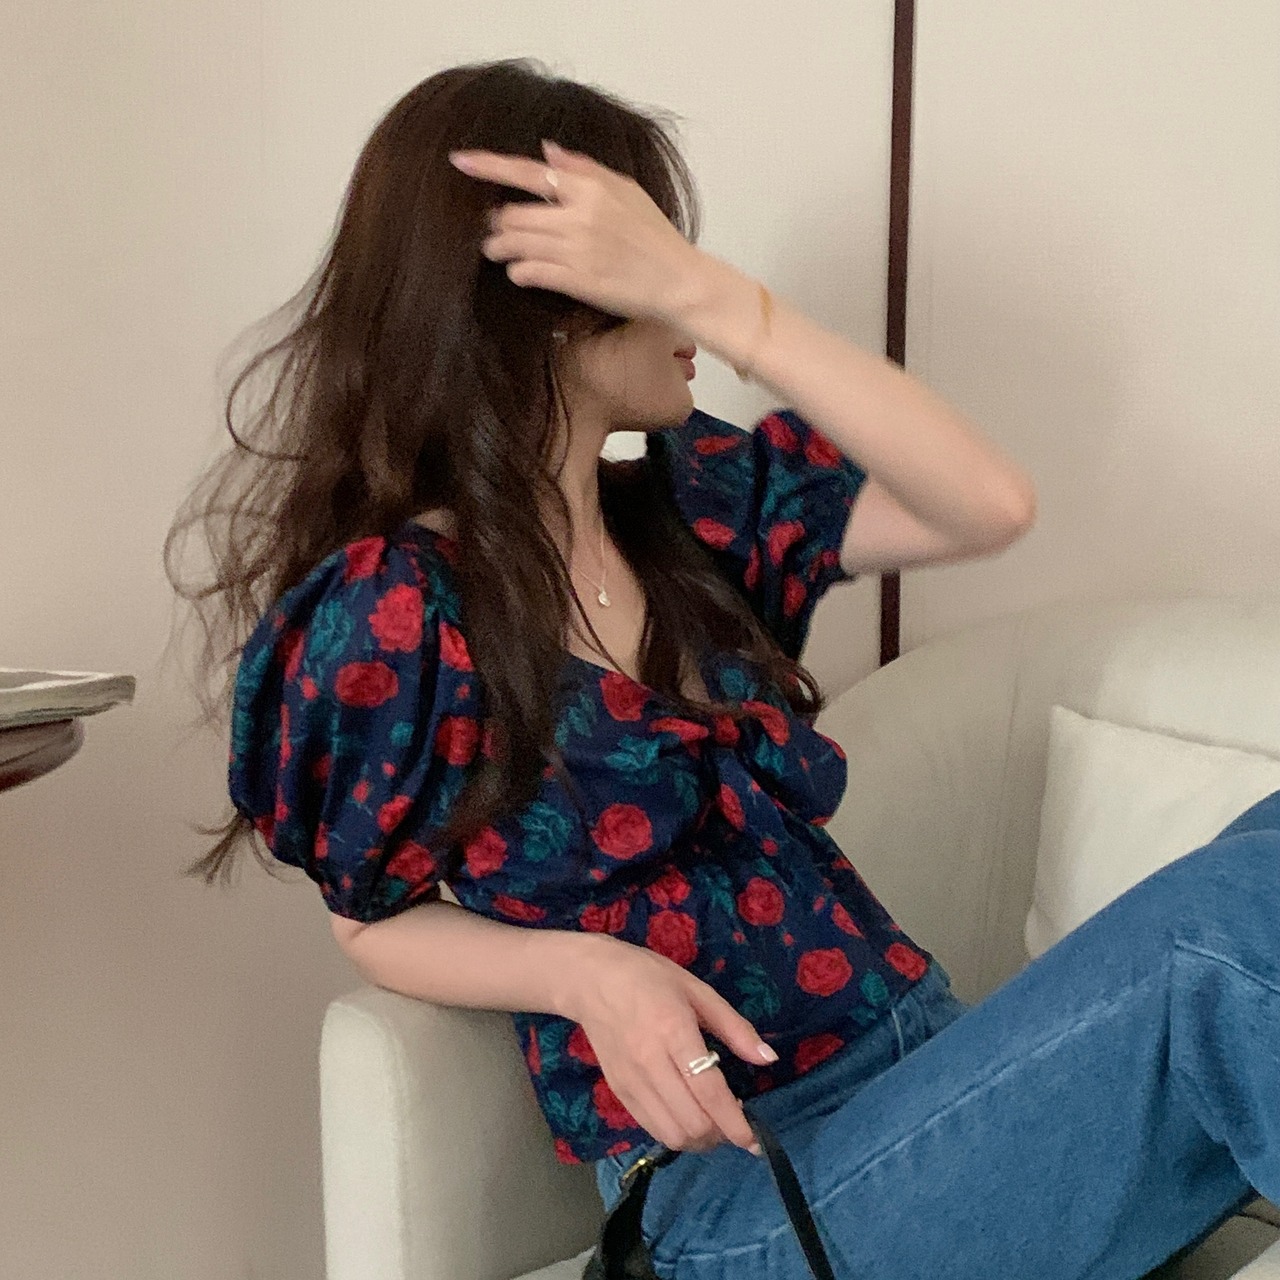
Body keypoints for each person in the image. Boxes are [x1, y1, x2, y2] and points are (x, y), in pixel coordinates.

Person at [166, 58, 1280, 1279]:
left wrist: (710, 293)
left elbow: (982, 500)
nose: (688, 318)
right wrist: (583, 969)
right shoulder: (395, 610)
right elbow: (366, 917)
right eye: (651, 268)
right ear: (553, 306)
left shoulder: (687, 513)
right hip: (751, 1202)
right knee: (1215, 932)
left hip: (923, 1089)